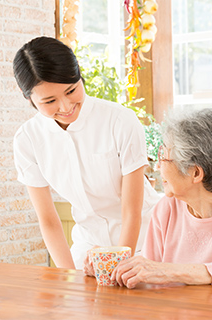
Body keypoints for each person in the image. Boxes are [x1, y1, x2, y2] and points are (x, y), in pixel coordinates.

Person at [12, 36, 160, 270]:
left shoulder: (119, 121)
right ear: (27, 96)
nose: (65, 107)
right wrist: (67, 276)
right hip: (89, 245)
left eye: (71, 91)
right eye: (50, 100)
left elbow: (131, 210)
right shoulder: (28, 140)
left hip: (145, 239)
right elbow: (49, 220)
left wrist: (118, 265)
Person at [111, 108, 212, 288]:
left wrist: (174, 272)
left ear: (196, 173)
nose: (158, 166)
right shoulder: (167, 208)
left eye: (164, 156)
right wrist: (112, 270)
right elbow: (148, 276)